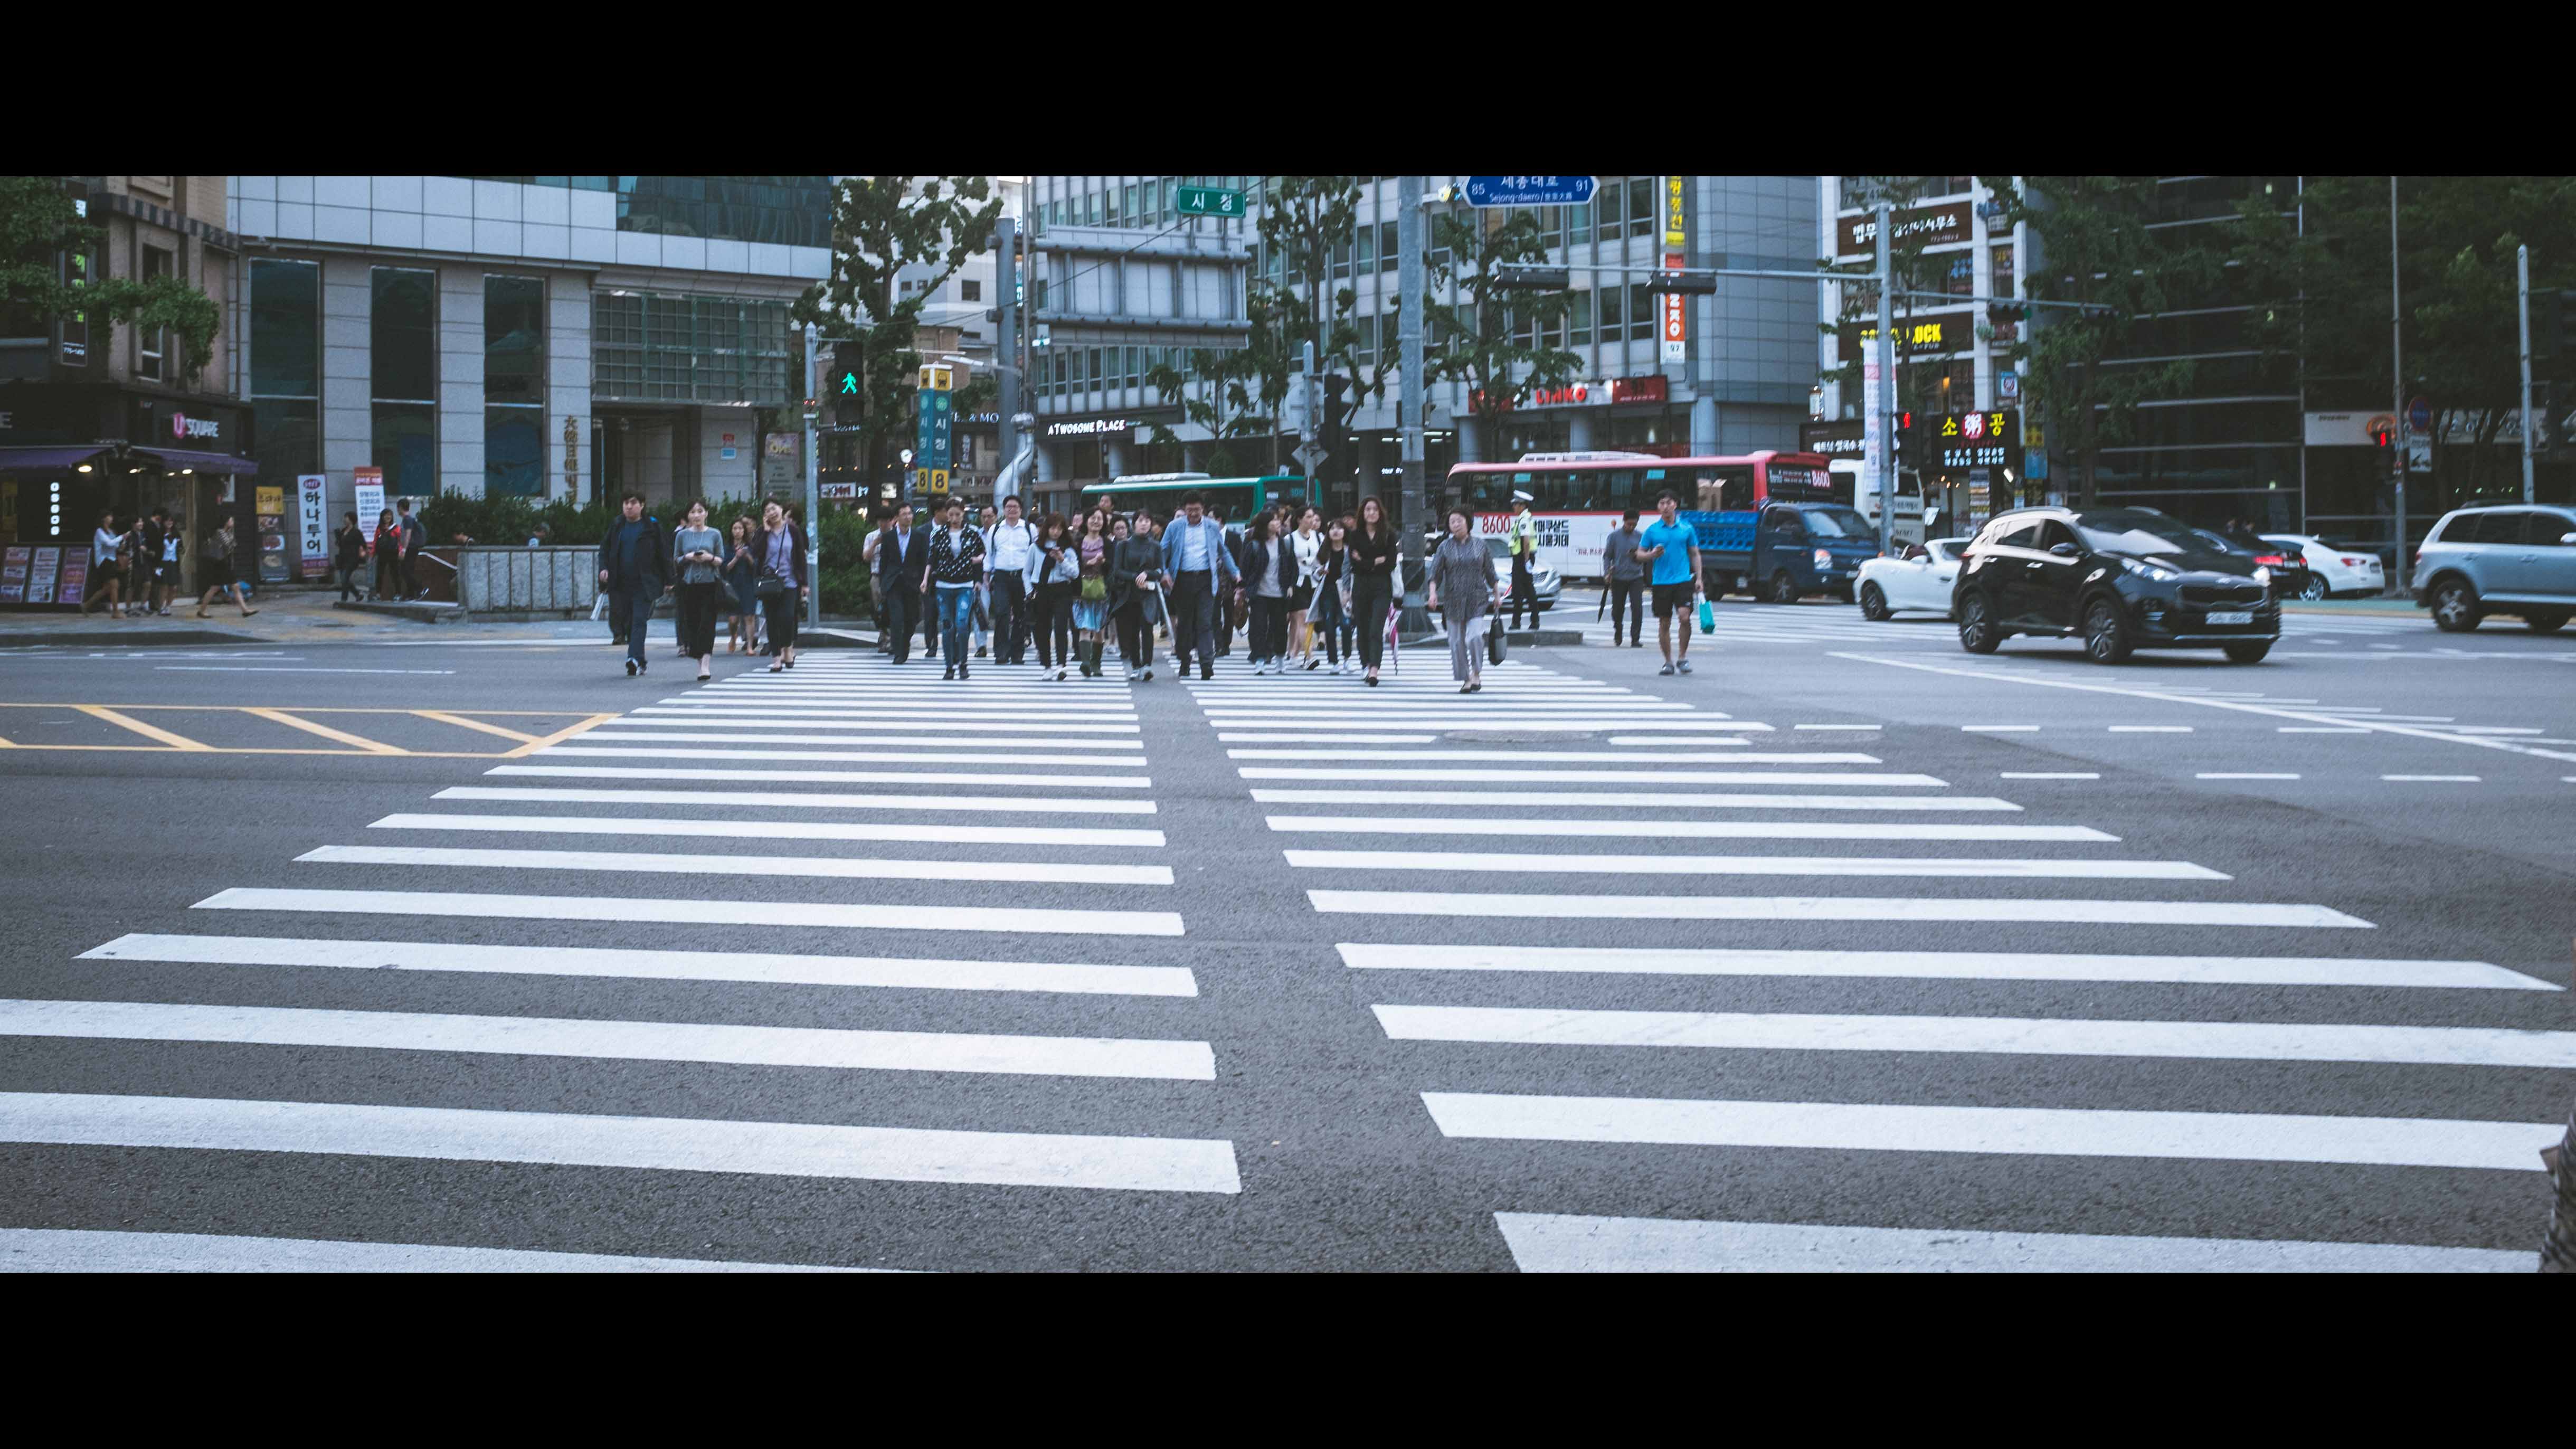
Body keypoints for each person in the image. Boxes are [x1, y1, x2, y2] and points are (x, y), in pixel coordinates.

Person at [1158, 490, 1239, 681]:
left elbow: (1223, 552)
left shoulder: (1212, 526)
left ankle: (1206, 664)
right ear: (1184, 509)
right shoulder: (1174, 527)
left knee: (1205, 622)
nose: (1193, 513)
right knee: (1185, 623)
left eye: (1197, 509)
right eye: (1189, 510)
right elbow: (1162, 551)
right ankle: (1185, 661)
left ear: (1203, 508)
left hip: (1206, 579)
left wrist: (1235, 572)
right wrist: (1165, 572)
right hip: (1182, 580)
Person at [597, 491, 673, 676]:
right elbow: (605, 549)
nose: (629, 507)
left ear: (642, 505)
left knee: (639, 620)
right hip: (620, 583)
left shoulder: (651, 526)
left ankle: (633, 659)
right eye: (626, 503)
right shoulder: (617, 525)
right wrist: (604, 568)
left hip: (644, 583)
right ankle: (641, 660)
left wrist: (670, 580)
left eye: (633, 503)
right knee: (627, 623)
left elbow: (663, 553)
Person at [1429, 504, 1500, 694]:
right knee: (1456, 642)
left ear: (1468, 522)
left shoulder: (1480, 545)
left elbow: (1490, 572)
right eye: (1452, 522)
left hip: (1477, 598)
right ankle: (1466, 679)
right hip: (1453, 599)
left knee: (1475, 636)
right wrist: (1433, 593)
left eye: (1459, 521)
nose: (1456, 524)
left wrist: (1497, 595)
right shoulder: (1445, 547)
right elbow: (1435, 573)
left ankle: (1476, 672)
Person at [1639, 489, 1704, 677]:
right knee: (1664, 622)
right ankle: (1668, 662)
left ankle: (1683, 657)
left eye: (1669, 503)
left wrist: (1699, 578)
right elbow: (1639, 554)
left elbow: (1694, 554)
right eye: (1662, 503)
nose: (1665, 507)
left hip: (1683, 580)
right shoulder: (1652, 530)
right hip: (1661, 582)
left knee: (1685, 617)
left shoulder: (1686, 528)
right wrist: (1652, 555)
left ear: (1675, 505)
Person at [923, 497, 984, 680]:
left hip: (965, 584)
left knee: (962, 623)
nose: (954, 518)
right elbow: (931, 559)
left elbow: (982, 552)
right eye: (951, 515)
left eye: (958, 514)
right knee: (948, 626)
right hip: (943, 585)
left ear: (963, 514)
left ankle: (963, 664)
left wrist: (978, 572)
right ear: (947, 515)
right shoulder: (938, 533)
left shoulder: (972, 533)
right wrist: (925, 579)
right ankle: (949, 666)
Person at [671, 499, 726, 682]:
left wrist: (709, 558)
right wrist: (688, 557)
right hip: (689, 584)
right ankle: (699, 661)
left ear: (706, 514)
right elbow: (676, 560)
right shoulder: (682, 535)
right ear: (688, 516)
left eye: (700, 511)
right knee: (693, 624)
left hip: (710, 583)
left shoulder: (715, 534)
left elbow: (721, 560)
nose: (697, 515)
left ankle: (705, 665)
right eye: (693, 512)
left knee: (708, 624)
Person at [1106, 507, 1162, 682]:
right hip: (1129, 594)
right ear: (1134, 524)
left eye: (1147, 521)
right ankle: (1136, 665)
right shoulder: (1124, 545)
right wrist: (1135, 577)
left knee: (1147, 629)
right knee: (1131, 631)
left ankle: (1147, 666)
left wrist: (1147, 574)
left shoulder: (1155, 546)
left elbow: (1160, 571)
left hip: (1148, 594)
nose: (1144, 524)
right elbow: (1117, 571)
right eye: (1140, 520)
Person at [752, 499, 807, 674]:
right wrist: (766, 532)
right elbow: (755, 553)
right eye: (768, 510)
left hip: (790, 581)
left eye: (774, 508)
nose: (772, 512)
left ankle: (788, 648)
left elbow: (800, 556)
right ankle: (776, 658)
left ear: (781, 509)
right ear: (765, 515)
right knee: (772, 619)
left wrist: (804, 583)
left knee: (787, 617)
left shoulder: (793, 530)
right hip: (769, 582)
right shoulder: (762, 532)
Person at [1348, 496, 1398, 686]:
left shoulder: (1389, 534)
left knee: (1376, 628)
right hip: (1361, 587)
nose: (1371, 513)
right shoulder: (1355, 535)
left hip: (1382, 587)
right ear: (1363, 513)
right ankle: (1366, 664)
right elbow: (1354, 564)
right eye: (1368, 509)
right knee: (1363, 628)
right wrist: (1376, 561)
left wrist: (1365, 561)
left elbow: (1391, 563)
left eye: (1375, 510)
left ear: (1380, 512)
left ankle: (1374, 669)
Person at [983, 494, 1038, 666]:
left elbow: (1035, 553)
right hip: (1001, 577)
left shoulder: (1029, 529)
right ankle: (1001, 653)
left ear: (1021, 510)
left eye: (1015, 507)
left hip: (1022, 577)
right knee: (1002, 613)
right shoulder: (995, 529)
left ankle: (1017, 653)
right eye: (1009, 507)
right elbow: (989, 555)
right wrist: (986, 576)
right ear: (1004, 510)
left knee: (1021, 615)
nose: (1012, 510)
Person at [872, 504, 922, 666]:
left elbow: (923, 561)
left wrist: (923, 582)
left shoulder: (919, 537)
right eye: (904, 514)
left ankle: (905, 643)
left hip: (912, 583)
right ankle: (898, 652)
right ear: (897, 518)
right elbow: (884, 562)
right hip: (894, 583)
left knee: (912, 619)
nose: (908, 517)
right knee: (897, 617)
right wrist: (883, 584)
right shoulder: (889, 537)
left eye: (910, 514)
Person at [1240, 511, 1290, 675]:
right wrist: (1245, 589)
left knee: (1280, 628)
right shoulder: (1254, 545)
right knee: (1258, 628)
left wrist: (1290, 586)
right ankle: (1260, 660)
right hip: (1259, 594)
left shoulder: (1285, 544)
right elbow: (1245, 570)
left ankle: (1280, 659)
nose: (1278, 523)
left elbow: (1292, 568)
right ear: (1265, 525)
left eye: (1278, 520)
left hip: (1279, 594)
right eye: (1273, 520)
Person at [1030, 513, 1077, 679]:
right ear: (1047, 529)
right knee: (1043, 629)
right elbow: (1027, 571)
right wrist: (1030, 591)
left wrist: (1062, 560)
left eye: (1059, 528)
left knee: (1061, 628)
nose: (1056, 532)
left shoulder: (1068, 549)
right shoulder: (1036, 547)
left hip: (1062, 590)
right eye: (1052, 528)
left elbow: (1075, 573)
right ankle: (1047, 666)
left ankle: (1061, 665)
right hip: (1042, 590)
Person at [1070, 510, 1113, 678]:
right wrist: (1090, 563)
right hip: (1081, 590)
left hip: (1101, 590)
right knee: (1084, 627)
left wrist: (1103, 562)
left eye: (1099, 519)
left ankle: (1096, 664)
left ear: (1104, 522)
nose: (1096, 521)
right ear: (1086, 521)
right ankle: (1086, 663)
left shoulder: (1107, 543)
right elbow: (1073, 564)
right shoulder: (1078, 542)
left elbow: (1113, 566)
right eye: (1093, 518)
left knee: (1099, 630)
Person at [1285, 505, 1325, 669]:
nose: (1312, 521)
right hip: (1297, 583)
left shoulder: (1319, 537)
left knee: (1305, 621)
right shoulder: (1290, 539)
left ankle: (1293, 654)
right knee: (1303, 618)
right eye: (1308, 517)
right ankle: (1309, 656)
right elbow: (1286, 564)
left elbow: (1323, 558)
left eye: (1313, 517)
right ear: (1299, 519)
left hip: (1315, 582)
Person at [193, 518, 257, 618]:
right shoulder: (220, 532)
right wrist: (232, 538)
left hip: (223, 563)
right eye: (231, 521)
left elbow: (233, 545)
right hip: (221, 563)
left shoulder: (227, 533)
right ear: (226, 522)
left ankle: (202, 611)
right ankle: (245, 610)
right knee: (231, 586)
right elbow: (229, 545)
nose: (233, 523)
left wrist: (232, 538)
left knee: (219, 588)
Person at [1313, 516, 1353, 674]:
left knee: (1346, 625)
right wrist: (1320, 571)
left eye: (1339, 528)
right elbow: (1314, 571)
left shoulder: (1350, 550)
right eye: (1332, 529)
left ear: (1345, 532)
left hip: (1345, 591)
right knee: (1329, 627)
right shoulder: (1324, 551)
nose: (1336, 531)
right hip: (1327, 591)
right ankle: (1334, 662)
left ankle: (1347, 659)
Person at [1602, 507, 1646, 648]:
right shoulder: (1614, 537)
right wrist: (1607, 573)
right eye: (1629, 524)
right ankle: (1618, 632)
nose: (1631, 527)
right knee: (1617, 609)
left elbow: (1645, 556)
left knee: (1637, 608)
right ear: (1624, 521)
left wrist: (1637, 556)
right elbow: (1607, 556)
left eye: (1634, 525)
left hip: (1636, 577)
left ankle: (1635, 638)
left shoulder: (1640, 537)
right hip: (1618, 577)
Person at [1504, 488, 1542, 630]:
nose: (1514, 507)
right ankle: (1534, 621)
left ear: (1522, 505)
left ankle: (1517, 622)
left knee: (1518, 591)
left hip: (1522, 559)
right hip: (1524, 558)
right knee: (1528, 589)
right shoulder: (1526, 518)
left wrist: (1526, 561)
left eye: (1516, 504)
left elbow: (1526, 541)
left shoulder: (1523, 520)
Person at [724, 516, 762, 655]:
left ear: (744, 531)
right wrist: (736, 557)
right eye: (735, 528)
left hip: (748, 585)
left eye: (740, 528)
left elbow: (757, 567)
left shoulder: (751, 547)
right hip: (732, 586)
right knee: (733, 620)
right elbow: (725, 568)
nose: (738, 531)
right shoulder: (728, 548)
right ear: (731, 531)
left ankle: (750, 646)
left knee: (749, 617)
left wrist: (747, 556)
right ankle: (733, 636)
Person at [81, 509, 127, 617]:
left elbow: (114, 546)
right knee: (115, 584)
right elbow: (109, 543)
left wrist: (121, 546)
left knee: (107, 588)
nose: (111, 518)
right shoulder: (99, 531)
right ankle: (115, 612)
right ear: (104, 519)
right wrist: (122, 537)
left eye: (111, 516)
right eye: (109, 516)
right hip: (104, 561)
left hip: (111, 560)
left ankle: (86, 605)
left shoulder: (112, 531)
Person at [970, 504, 999, 658]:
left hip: (999, 576)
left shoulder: (1002, 532)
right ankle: (981, 646)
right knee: (981, 612)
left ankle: (1001, 644)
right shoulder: (975, 534)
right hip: (981, 577)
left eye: (990, 516)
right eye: (984, 517)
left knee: (1003, 612)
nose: (987, 519)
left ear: (996, 517)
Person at [395, 497, 427, 600]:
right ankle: (410, 594)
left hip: (411, 549)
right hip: (412, 548)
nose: (397, 510)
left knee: (405, 571)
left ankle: (421, 588)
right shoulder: (409, 519)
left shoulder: (407, 520)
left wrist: (404, 550)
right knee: (408, 571)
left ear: (400, 508)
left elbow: (408, 536)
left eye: (398, 508)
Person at [371, 508, 404, 603]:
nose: (388, 517)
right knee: (379, 574)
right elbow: (375, 541)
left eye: (390, 515)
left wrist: (401, 551)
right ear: (382, 517)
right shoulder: (379, 528)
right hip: (382, 554)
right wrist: (373, 553)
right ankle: (378, 594)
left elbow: (400, 541)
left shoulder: (396, 528)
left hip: (393, 554)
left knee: (395, 574)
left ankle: (398, 594)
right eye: (386, 515)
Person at [333, 512, 367, 602]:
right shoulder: (343, 531)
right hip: (342, 559)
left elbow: (363, 544)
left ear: (352, 520)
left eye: (346, 517)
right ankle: (357, 595)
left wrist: (363, 552)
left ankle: (344, 600)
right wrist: (338, 540)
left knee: (345, 578)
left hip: (352, 559)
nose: (344, 519)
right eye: (345, 517)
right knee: (344, 579)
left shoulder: (357, 532)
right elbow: (340, 544)